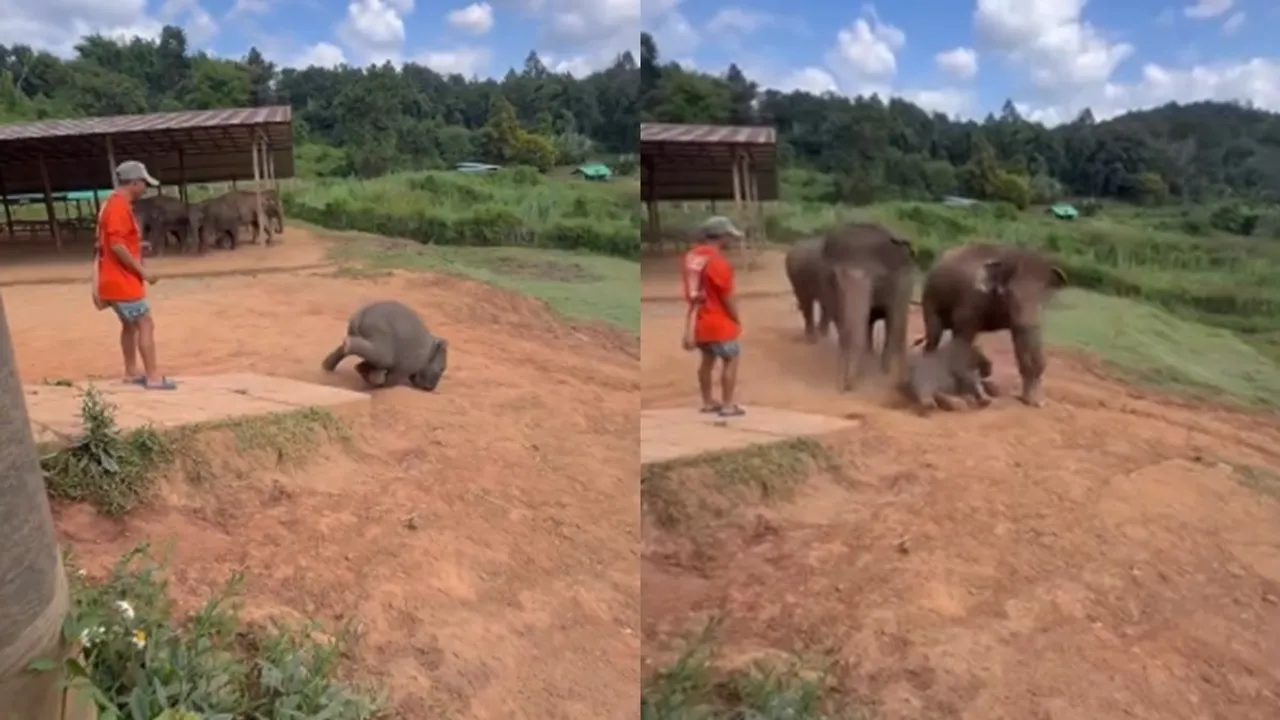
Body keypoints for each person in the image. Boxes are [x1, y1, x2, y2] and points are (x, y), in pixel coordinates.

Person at [94, 160, 176, 390]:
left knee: (129, 326)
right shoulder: (119, 208)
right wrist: (144, 272)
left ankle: (131, 372)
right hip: (122, 281)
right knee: (145, 324)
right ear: (133, 182)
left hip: (111, 279)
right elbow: (117, 246)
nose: (145, 189)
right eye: (143, 183)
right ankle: (153, 376)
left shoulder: (111, 204)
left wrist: (138, 245)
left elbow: (116, 242)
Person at [681, 216, 744, 417]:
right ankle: (727, 405)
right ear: (721, 237)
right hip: (719, 322)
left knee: (707, 360)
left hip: (699, 321)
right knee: (731, 359)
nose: (730, 241)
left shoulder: (691, 257)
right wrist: (736, 317)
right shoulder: (718, 262)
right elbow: (727, 296)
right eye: (729, 236)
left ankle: (708, 402)